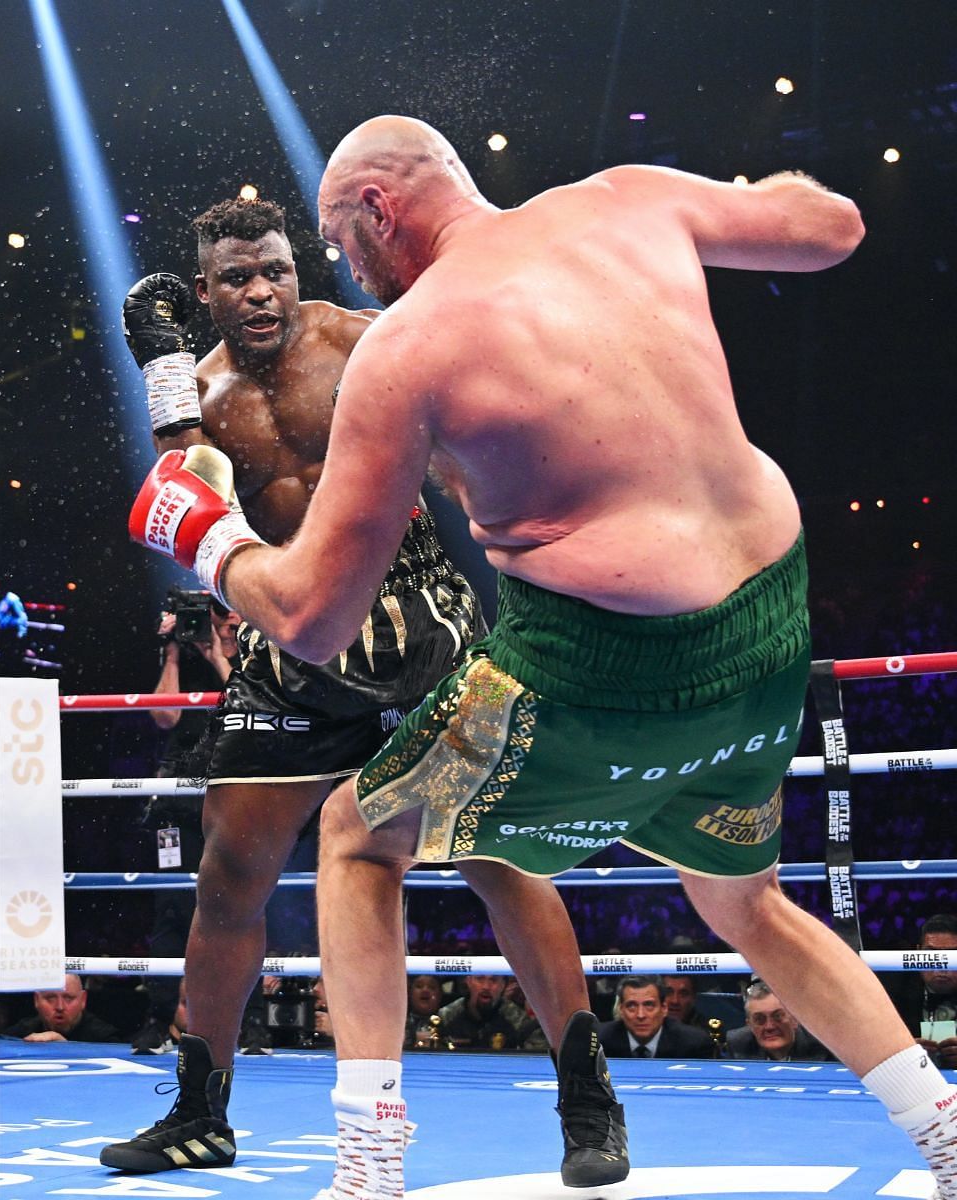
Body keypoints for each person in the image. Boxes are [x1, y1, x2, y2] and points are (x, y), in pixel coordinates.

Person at [130, 113, 957, 1194]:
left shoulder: (403, 344)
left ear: (378, 209)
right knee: (745, 899)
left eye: (337, 239)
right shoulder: (624, 196)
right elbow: (830, 222)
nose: (341, 266)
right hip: (770, 620)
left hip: (600, 657)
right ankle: (943, 1132)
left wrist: (208, 536)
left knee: (360, 834)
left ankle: (369, 1169)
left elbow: (312, 617)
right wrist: (765, 178)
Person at [108, 197, 625, 1185]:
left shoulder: (370, 345)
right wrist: (166, 387)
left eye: (273, 270)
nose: (259, 293)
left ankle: (589, 1100)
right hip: (296, 638)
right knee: (227, 876)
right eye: (235, 279)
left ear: (296, 267)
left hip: (423, 622)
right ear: (207, 292)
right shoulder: (201, 390)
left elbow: (474, 445)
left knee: (498, 858)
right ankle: (198, 1111)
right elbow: (194, 499)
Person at [133, 599, 238, 1053]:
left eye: (232, 618)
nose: (227, 625)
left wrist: (217, 655)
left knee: (240, 902)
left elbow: (248, 703)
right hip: (177, 797)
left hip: (232, 787)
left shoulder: (257, 651)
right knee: (172, 909)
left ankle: (248, 1026)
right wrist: (173, 652)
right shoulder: (181, 657)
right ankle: (158, 1021)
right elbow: (164, 716)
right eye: (219, 619)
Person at [884, 913, 957, 1070]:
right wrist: (902, 1054)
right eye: (931, 955)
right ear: (918, 953)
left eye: (951, 955)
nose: (941, 966)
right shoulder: (893, 990)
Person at [600, 976, 716, 1059]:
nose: (641, 1015)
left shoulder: (694, 1044)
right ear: (621, 1009)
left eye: (649, 1005)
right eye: (632, 1006)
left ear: (664, 1008)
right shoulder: (599, 1041)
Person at [727, 980, 833, 1061]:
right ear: (750, 1026)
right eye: (759, 1019)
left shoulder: (823, 1045)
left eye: (778, 1017)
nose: (769, 1026)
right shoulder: (738, 1044)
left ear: (795, 1019)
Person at [4, 975, 125, 1043]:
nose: (60, 1007)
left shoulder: (104, 1038)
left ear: (83, 1000)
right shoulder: (20, 1033)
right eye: (50, 998)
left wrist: (64, 1048)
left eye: (69, 998)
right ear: (36, 1000)